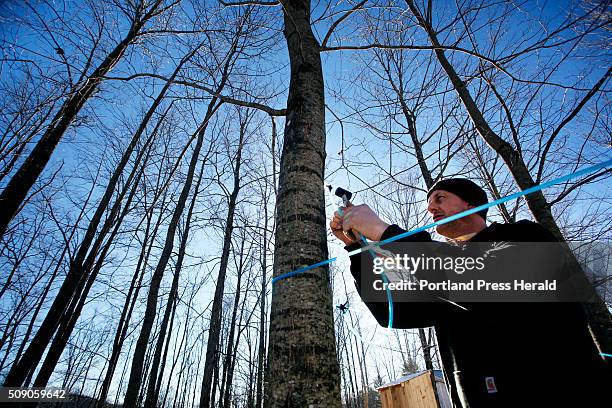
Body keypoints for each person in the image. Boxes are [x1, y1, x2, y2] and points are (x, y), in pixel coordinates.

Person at [330, 178, 609, 407]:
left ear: (470, 203)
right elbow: (392, 313)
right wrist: (357, 250)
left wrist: (386, 232)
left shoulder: (524, 234)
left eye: (440, 198)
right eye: (429, 204)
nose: (431, 209)